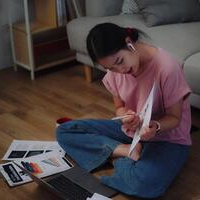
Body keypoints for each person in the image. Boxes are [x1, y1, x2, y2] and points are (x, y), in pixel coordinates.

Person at [56, 22, 192, 198]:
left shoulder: (167, 67)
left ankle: (118, 159)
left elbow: (175, 118)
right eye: (110, 68)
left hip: (168, 136)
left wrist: (154, 126)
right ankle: (125, 151)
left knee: (145, 185)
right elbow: (119, 108)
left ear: (129, 42)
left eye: (120, 61)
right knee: (64, 131)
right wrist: (126, 116)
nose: (120, 71)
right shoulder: (116, 71)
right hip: (132, 132)